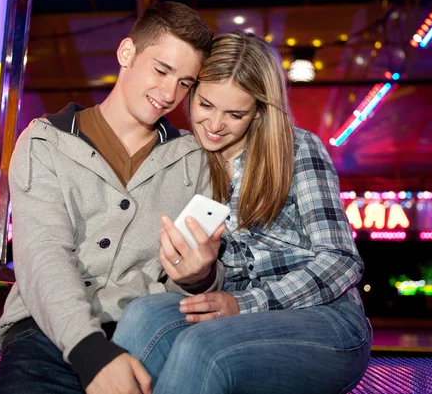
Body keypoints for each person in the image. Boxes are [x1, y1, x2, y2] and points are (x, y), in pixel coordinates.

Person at [112, 31, 372, 394]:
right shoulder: (188, 161)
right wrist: (195, 276)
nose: (215, 125)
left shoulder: (297, 149)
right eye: (205, 105)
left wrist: (245, 304)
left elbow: (343, 261)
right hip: (229, 316)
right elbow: (204, 281)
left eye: (235, 114)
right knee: (142, 316)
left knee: (204, 346)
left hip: (326, 320)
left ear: (259, 111)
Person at [0, 2, 226, 394]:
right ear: (127, 53)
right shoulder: (45, 142)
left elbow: (200, 278)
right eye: (161, 70)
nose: (169, 93)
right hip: (44, 333)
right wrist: (90, 352)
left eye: (185, 82)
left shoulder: (195, 159)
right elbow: (44, 255)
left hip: (146, 330)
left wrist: (201, 276)